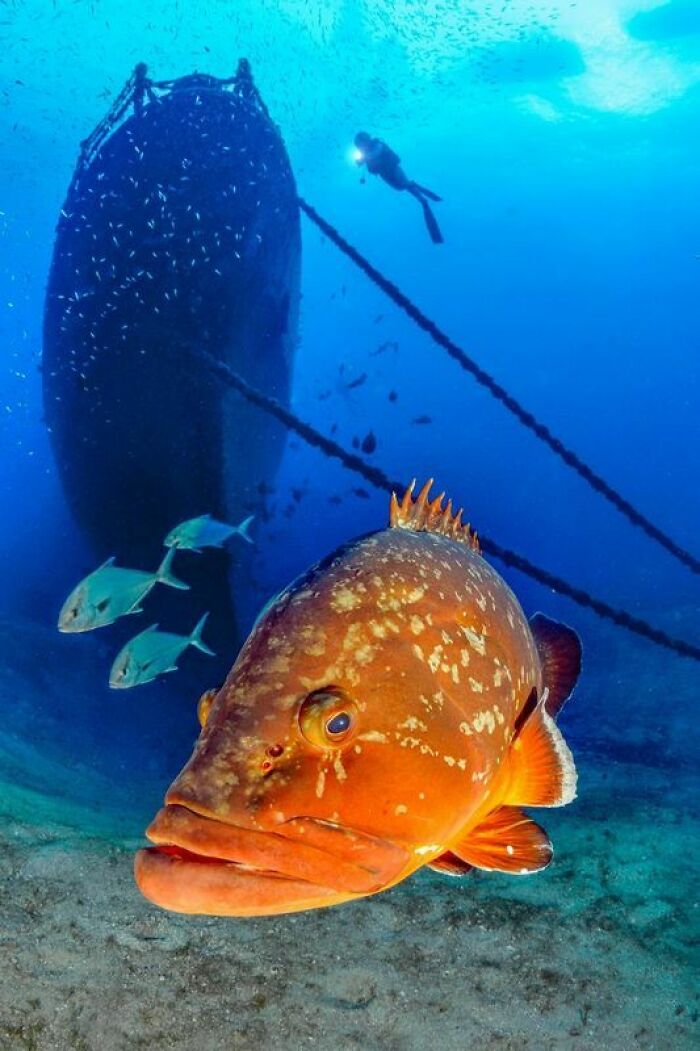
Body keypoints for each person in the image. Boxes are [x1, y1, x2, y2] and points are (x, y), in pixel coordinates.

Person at [354, 131, 444, 244]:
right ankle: (420, 196)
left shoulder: (377, 144)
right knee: (400, 188)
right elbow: (370, 164)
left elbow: (376, 153)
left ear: (366, 140)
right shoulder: (365, 154)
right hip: (384, 174)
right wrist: (362, 160)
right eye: (359, 145)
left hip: (394, 169)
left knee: (405, 184)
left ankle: (422, 199)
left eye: (361, 143)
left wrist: (363, 159)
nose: (361, 147)